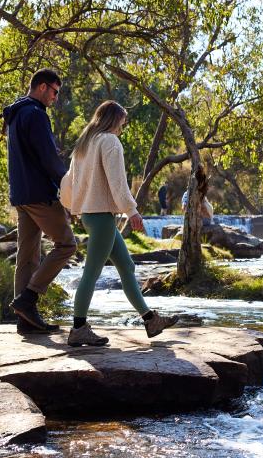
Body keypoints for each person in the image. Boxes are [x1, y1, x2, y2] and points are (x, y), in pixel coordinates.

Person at [60, 101, 177, 347]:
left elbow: (68, 182)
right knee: (91, 272)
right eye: (122, 123)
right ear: (113, 120)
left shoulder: (84, 143)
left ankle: (150, 320)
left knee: (126, 266)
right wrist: (131, 211)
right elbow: (117, 182)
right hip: (102, 216)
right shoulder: (109, 142)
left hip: (91, 216)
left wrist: (74, 208)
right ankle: (78, 328)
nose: (122, 129)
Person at [4, 69, 76, 335]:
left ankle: (26, 320)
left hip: (21, 195)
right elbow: (48, 159)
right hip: (39, 194)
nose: (56, 98)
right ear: (43, 87)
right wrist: (69, 188)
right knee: (67, 244)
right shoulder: (35, 114)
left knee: (28, 255)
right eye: (55, 92)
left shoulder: (16, 114)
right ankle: (29, 298)